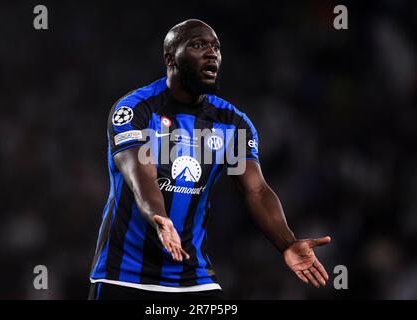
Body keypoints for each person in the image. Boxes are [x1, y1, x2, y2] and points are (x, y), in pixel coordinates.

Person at [88, 19, 331, 300]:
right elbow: (140, 174)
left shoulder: (232, 122)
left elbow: (255, 189)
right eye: (198, 45)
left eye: (215, 46)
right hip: (124, 276)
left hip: (193, 278)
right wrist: (160, 220)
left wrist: (286, 242)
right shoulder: (136, 109)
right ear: (170, 58)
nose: (211, 52)